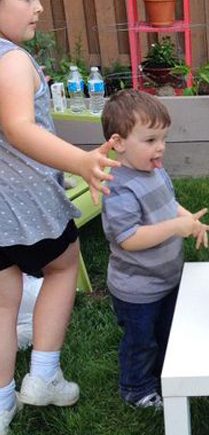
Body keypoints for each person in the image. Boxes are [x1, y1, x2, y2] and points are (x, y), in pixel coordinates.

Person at [0, 1, 118, 433]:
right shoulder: (10, 60)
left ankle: (1, 404)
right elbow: (19, 127)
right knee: (62, 267)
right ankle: (45, 375)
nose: (40, 7)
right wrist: (80, 162)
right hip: (28, 203)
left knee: (1, 303)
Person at [101, 90, 209, 409]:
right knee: (141, 342)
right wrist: (175, 228)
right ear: (119, 143)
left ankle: (168, 378)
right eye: (150, 140)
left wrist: (188, 219)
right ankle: (136, 387)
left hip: (166, 277)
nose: (160, 147)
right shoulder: (119, 186)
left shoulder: (154, 171)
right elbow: (128, 237)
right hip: (137, 288)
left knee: (168, 333)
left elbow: (167, 203)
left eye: (163, 138)